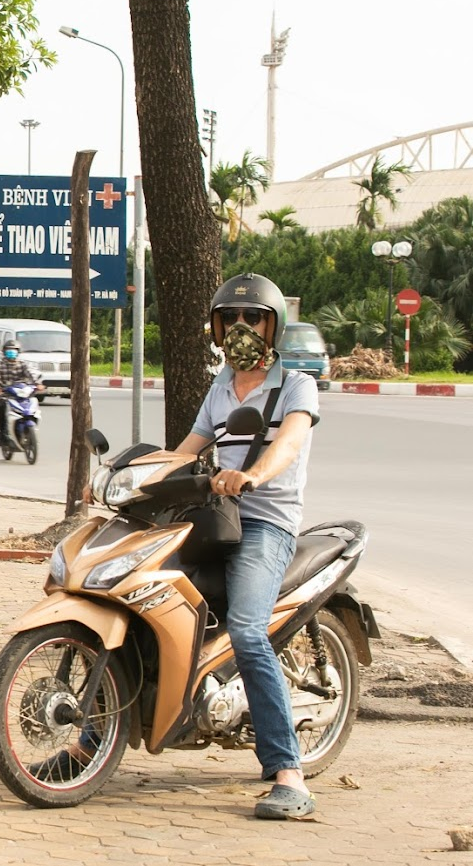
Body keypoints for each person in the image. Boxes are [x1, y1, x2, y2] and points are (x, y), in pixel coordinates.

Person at [173, 272, 321, 820]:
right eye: (231, 319)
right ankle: (96, 736)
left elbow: (289, 443)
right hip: (216, 521)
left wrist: (253, 475)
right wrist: (125, 477)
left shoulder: (295, 386)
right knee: (141, 598)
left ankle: (289, 774)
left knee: (249, 630)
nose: (241, 327)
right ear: (216, 328)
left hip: (265, 525)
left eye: (252, 318)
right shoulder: (218, 390)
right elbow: (186, 450)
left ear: (272, 325)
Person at [0, 339, 43, 446]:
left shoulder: (22, 365)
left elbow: (30, 374)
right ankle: (1, 434)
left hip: (21, 393)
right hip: (6, 395)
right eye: (9, 350)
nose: (11, 353)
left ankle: (28, 428)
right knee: (2, 407)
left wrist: (37, 384)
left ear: (18, 352)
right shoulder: (0, 366)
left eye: (14, 350)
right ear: (4, 352)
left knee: (32, 404)